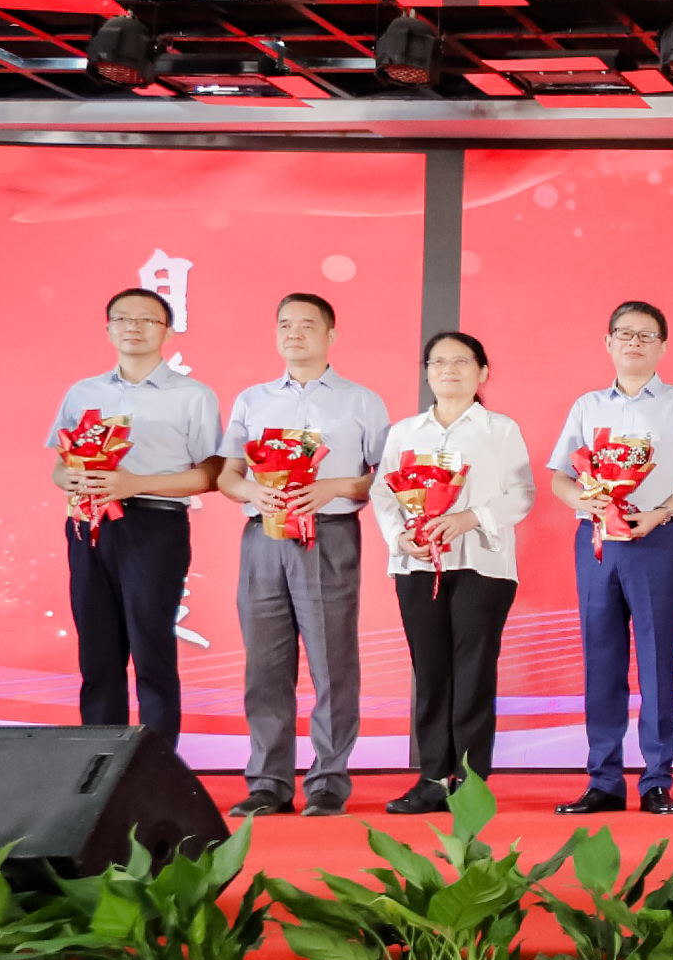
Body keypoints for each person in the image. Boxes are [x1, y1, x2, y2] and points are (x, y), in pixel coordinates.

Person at [214, 292, 390, 817]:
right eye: (285, 324)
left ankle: (328, 780)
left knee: (333, 662)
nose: (294, 333)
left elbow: (385, 479)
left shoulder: (362, 401)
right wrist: (252, 491)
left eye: (307, 325)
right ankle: (267, 781)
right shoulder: (252, 399)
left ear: (331, 335)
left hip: (330, 535)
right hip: (263, 537)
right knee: (264, 664)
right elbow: (227, 474)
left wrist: (334, 486)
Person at [546, 301, 673, 817]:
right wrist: (587, 502)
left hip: (658, 539)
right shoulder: (587, 406)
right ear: (608, 343)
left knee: (656, 661)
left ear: (662, 346)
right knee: (600, 661)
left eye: (646, 336)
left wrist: (661, 512)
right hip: (598, 542)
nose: (634, 343)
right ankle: (603, 780)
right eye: (625, 334)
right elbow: (559, 477)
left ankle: (657, 780)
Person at [48, 286, 223, 754]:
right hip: (88, 527)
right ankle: (97, 760)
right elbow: (59, 467)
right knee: (97, 653)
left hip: (155, 526)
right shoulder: (83, 392)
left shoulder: (193, 395)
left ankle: (154, 764)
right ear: (108, 329)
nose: (133, 327)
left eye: (147, 319)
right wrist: (71, 478)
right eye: (123, 319)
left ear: (167, 331)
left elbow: (211, 474)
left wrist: (135, 483)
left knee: (151, 651)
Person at [369, 330, 536, 815]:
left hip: (483, 564)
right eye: (438, 362)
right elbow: (383, 494)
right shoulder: (405, 432)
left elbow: (522, 494)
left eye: (461, 362)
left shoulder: (500, 429)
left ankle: (471, 782)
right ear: (426, 373)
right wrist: (399, 538)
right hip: (418, 564)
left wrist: (471, 517)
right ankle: (431, 778)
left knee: (473, 671)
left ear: (482, 372)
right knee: (430, 672)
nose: (448, 370)